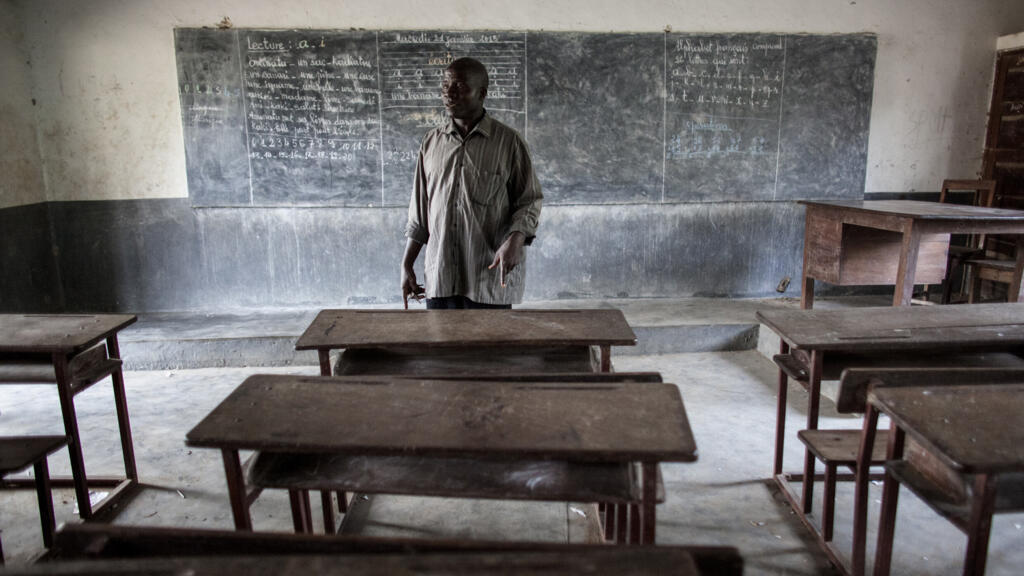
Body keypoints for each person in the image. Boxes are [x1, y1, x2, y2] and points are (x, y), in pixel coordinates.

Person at [401, 57, 542, 309]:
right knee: (439, 336)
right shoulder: (431, 143)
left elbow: (529, 201)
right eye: (445, 86)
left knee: (491, 337)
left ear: (482, 93)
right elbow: (419, 214)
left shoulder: (508, 143)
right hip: (441, 277)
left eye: (460, 86)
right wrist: (406, 263)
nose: (449, 93)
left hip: (488, 277)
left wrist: (515, 240)